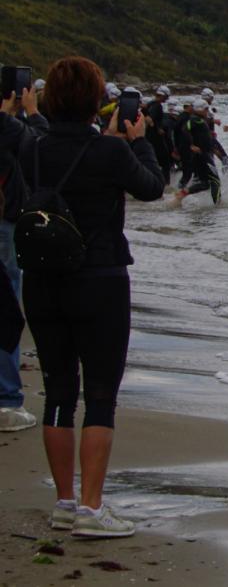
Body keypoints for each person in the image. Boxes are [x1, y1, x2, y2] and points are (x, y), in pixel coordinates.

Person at [18, 56, 165, 537]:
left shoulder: (31, 148)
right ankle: (91, 508)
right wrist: (140, 143)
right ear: (98, 103)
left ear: (47, 98)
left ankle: (63, 502)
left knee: (58, 390)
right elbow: (151, 189)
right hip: (99, 278)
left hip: (42, 278)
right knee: (100, 394)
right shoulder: (111, 152)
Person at [1, 83, 47, 432]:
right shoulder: (9, 128)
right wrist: (31, 114)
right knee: (6, 308)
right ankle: (6, 399)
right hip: (4, 224)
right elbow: (42, 152)